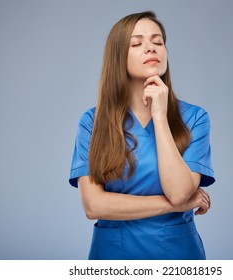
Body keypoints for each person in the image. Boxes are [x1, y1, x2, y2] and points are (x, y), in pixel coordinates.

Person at [69, 11, 215, 260]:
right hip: (114, 258)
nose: (151, 48)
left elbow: (179, 191)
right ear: (118, 57)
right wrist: (175, 206)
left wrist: (160, 117)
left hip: (178, 258)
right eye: (137, 43)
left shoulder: (195, 118)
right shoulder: (92, 122)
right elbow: (94, 206)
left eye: (158, 42)